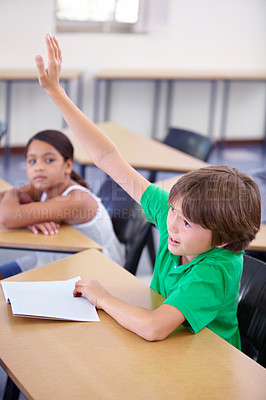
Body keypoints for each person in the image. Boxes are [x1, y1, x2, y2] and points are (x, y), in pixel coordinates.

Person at [34, 34, 261, 345]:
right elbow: (108, 158)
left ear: (222, 240)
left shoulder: (214, 269)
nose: (170, 224)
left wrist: (103, 298)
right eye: (173, 212)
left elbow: (154, 328)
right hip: (169, 350)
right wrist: (56, 92)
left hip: (206, 369)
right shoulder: (180, 223)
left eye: (186, 222)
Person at [0, 129, 125, 278]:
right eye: (32, 161)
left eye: (49, 160)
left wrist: (15, 197)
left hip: (94, 272)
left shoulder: (76, 199)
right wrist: (28, 220)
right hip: (58, 258)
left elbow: (8, 216)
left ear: (68, 165)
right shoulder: (43, 186)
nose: (38, 167)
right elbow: (9, 210)